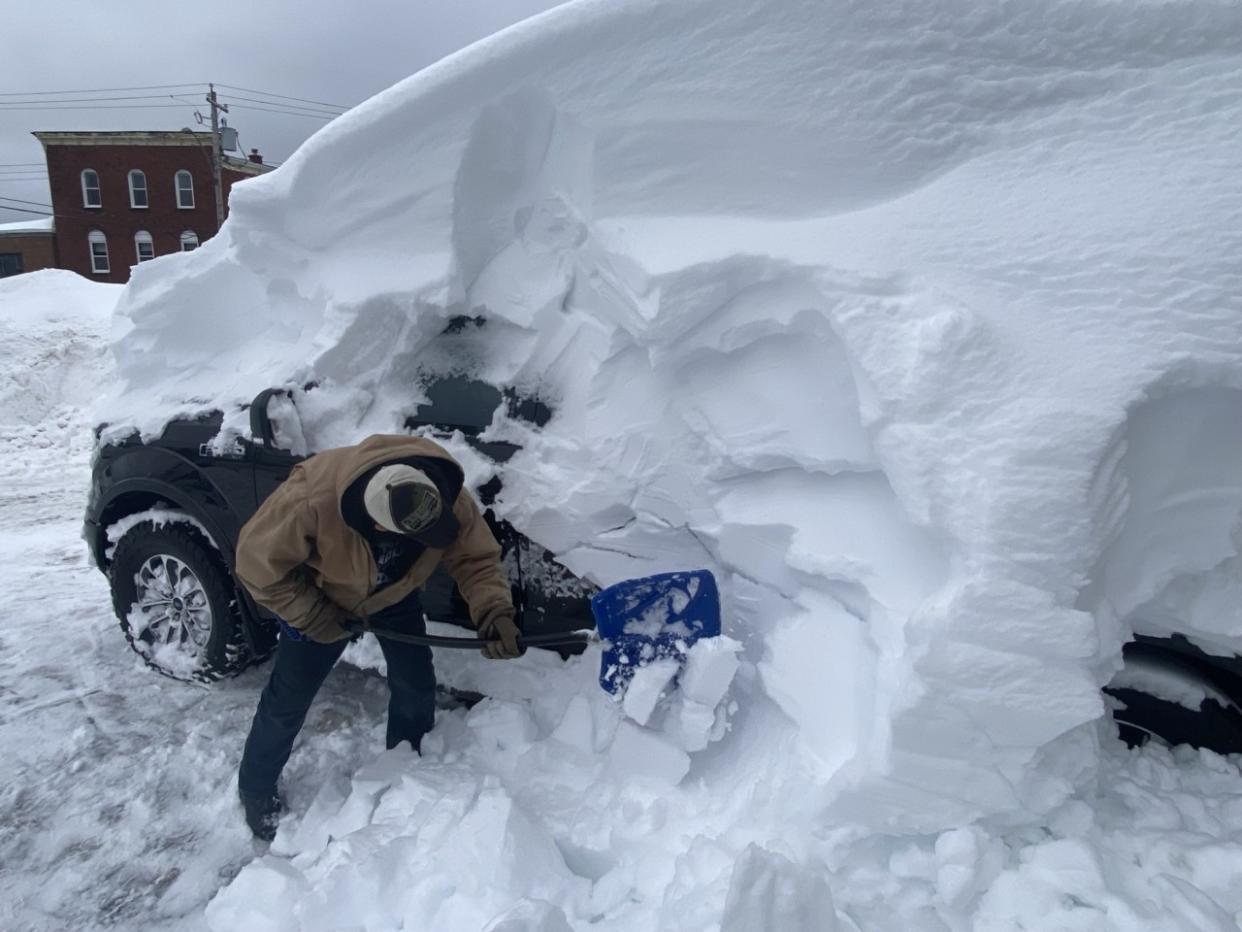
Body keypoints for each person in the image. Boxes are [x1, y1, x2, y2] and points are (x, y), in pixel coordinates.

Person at [233, 433, 521, 841]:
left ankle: (407, 764)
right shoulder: (309, 501)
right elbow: (256, 566)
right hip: (322, 600)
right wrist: (315, 615)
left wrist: (494, 612)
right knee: (287, 702)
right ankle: (255, 788)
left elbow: (474, 556)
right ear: (375, 525)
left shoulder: (441, 493)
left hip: (393, 594)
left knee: (415, 684)